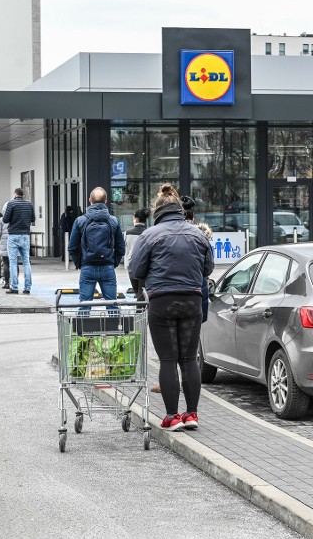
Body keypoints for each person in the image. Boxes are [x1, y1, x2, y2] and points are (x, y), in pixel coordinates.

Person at [129, 184, 214, 432]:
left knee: (168, 359)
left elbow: (136, 270)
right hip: (192, 301)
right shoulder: (198, 235)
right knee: (189, 358)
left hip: (161, 301)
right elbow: (207, 268)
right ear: (179, 209)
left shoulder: (150, 235)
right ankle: (192, 414)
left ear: (158, 211)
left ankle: (171, 416)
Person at [68, 187, 126, 303]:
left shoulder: (80, 221)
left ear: (90, 201)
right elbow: (121, 247)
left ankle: (83, 321)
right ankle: (114, 321)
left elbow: (72, 247)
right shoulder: (113, 221)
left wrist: (79, 263)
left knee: (85, 305)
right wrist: (114, 262)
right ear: (106, 201)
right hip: (108, 267)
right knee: (112, 304)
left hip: (87, 267)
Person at [2, 188, 36, 294]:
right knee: (26, 262)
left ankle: (15, 287)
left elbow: (5, 219)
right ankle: (27, 288)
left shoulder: (11, 204)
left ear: (15, 194)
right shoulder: (29, 204)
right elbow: (33, 219)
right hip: (25, 235)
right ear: (23, 195)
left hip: (13, 236)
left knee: (13, 262)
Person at [124, 208, 150, 299]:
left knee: (137, 291)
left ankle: (139, 310)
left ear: (136, 219)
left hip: (131, 265)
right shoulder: (149, 233)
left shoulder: (127, 233)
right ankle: (140, 310)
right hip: (145, 265)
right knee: (142, 291)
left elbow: (126, 248)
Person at [0, 213, 12, 289]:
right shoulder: (14, 218)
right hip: (13, 242)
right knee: (14, 263)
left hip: (4, 244)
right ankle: (15, 282)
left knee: (5, 263)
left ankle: (7, 282)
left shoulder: (1, 219)